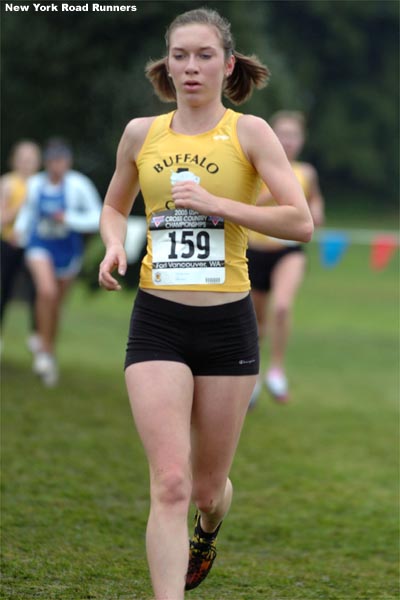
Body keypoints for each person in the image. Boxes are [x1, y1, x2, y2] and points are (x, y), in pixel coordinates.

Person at [98, 8, 313, 599]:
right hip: (157, 323)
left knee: (206, 489)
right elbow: (115, 204)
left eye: (203, 55)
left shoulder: (251, 133)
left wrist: (222, 205)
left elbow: (300, 221)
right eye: (180, 56)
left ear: (227, 63)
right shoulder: (142, 133)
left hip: (227, 326)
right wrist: (114, 244)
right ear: (166, 65)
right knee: (168, 482)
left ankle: (208, 530)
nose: (191, 67)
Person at [247, 110, 324, 406]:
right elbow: (245, 204)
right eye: (282, 134)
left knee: (281, 307)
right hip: (254, 251)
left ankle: (277, 370)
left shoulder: (306, 172)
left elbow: (314, 199)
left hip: (288, 251)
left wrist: (316, 209)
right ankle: (252, 376)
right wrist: (279, 192)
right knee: (256, 322)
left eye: (293, 135)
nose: (287, 141)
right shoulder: (257, 168)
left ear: (302, 140)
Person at [14, 138, 102, 386]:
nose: (57, 165)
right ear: (47, 162)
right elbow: (27, 213)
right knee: (46, 291)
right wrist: (19, 232)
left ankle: (47, 352)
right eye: (52, 160)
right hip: (39, 246)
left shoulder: (78, 185)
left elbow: (98, 216)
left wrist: (69, 219)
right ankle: (43, 350)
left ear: (68, 161)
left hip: (68, 251)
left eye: (61, 160)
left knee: (55, 307)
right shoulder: (35, 184)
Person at [0, 140, 41, 351]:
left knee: (38, 291)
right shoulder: (7, 183)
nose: (27, 164)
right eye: (23, 159)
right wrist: (22, 204)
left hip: (34, 246)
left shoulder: (41, 183)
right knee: (3, 290)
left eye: (31, 160)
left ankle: (37, 336)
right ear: (14, 160)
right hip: (10, 244)